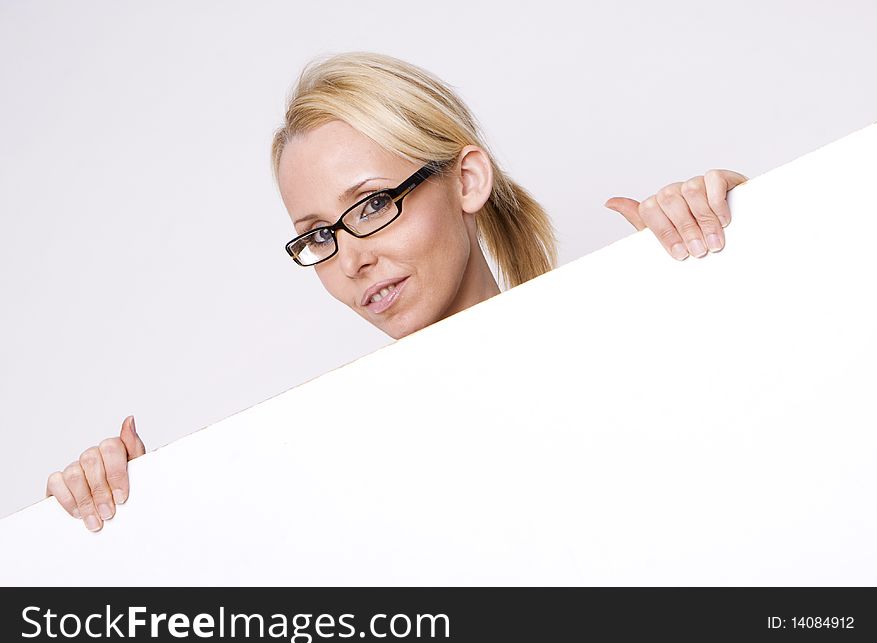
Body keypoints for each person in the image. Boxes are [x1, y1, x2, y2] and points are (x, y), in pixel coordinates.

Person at [45, 52, 748, 531]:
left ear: (467, 180)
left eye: (374, 203)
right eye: (318, 235)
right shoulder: (324, 475)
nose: (351, 256)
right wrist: (129, 509)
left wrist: (746, 228)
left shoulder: (618, 344)